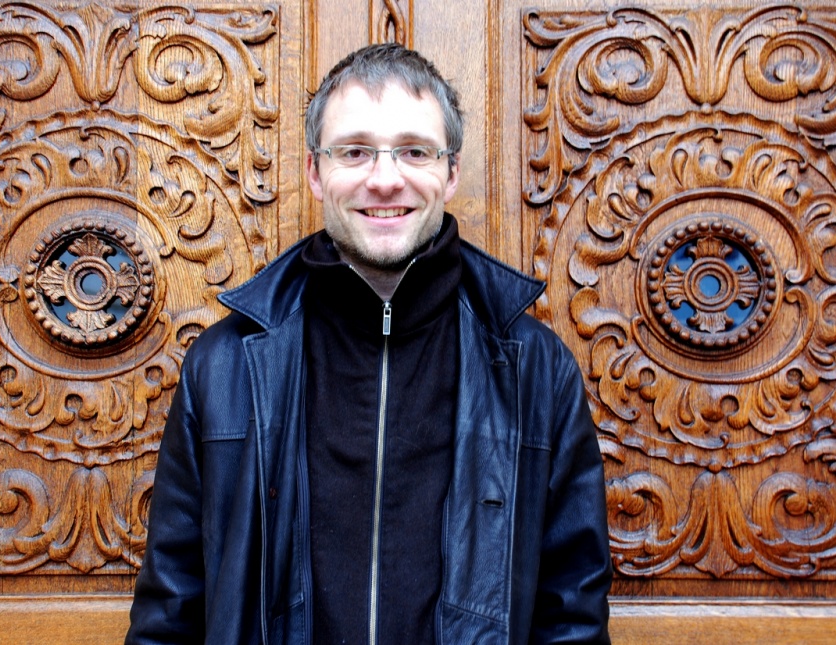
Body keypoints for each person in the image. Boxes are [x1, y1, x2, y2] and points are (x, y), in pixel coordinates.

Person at [126, 43, 612, 644]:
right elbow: (171, 608)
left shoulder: (535, 367)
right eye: (354, 151)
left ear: (451, 172)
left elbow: (572, 615)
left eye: (414, 151)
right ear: (314, 171)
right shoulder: (225, 367)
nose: (385, 179)